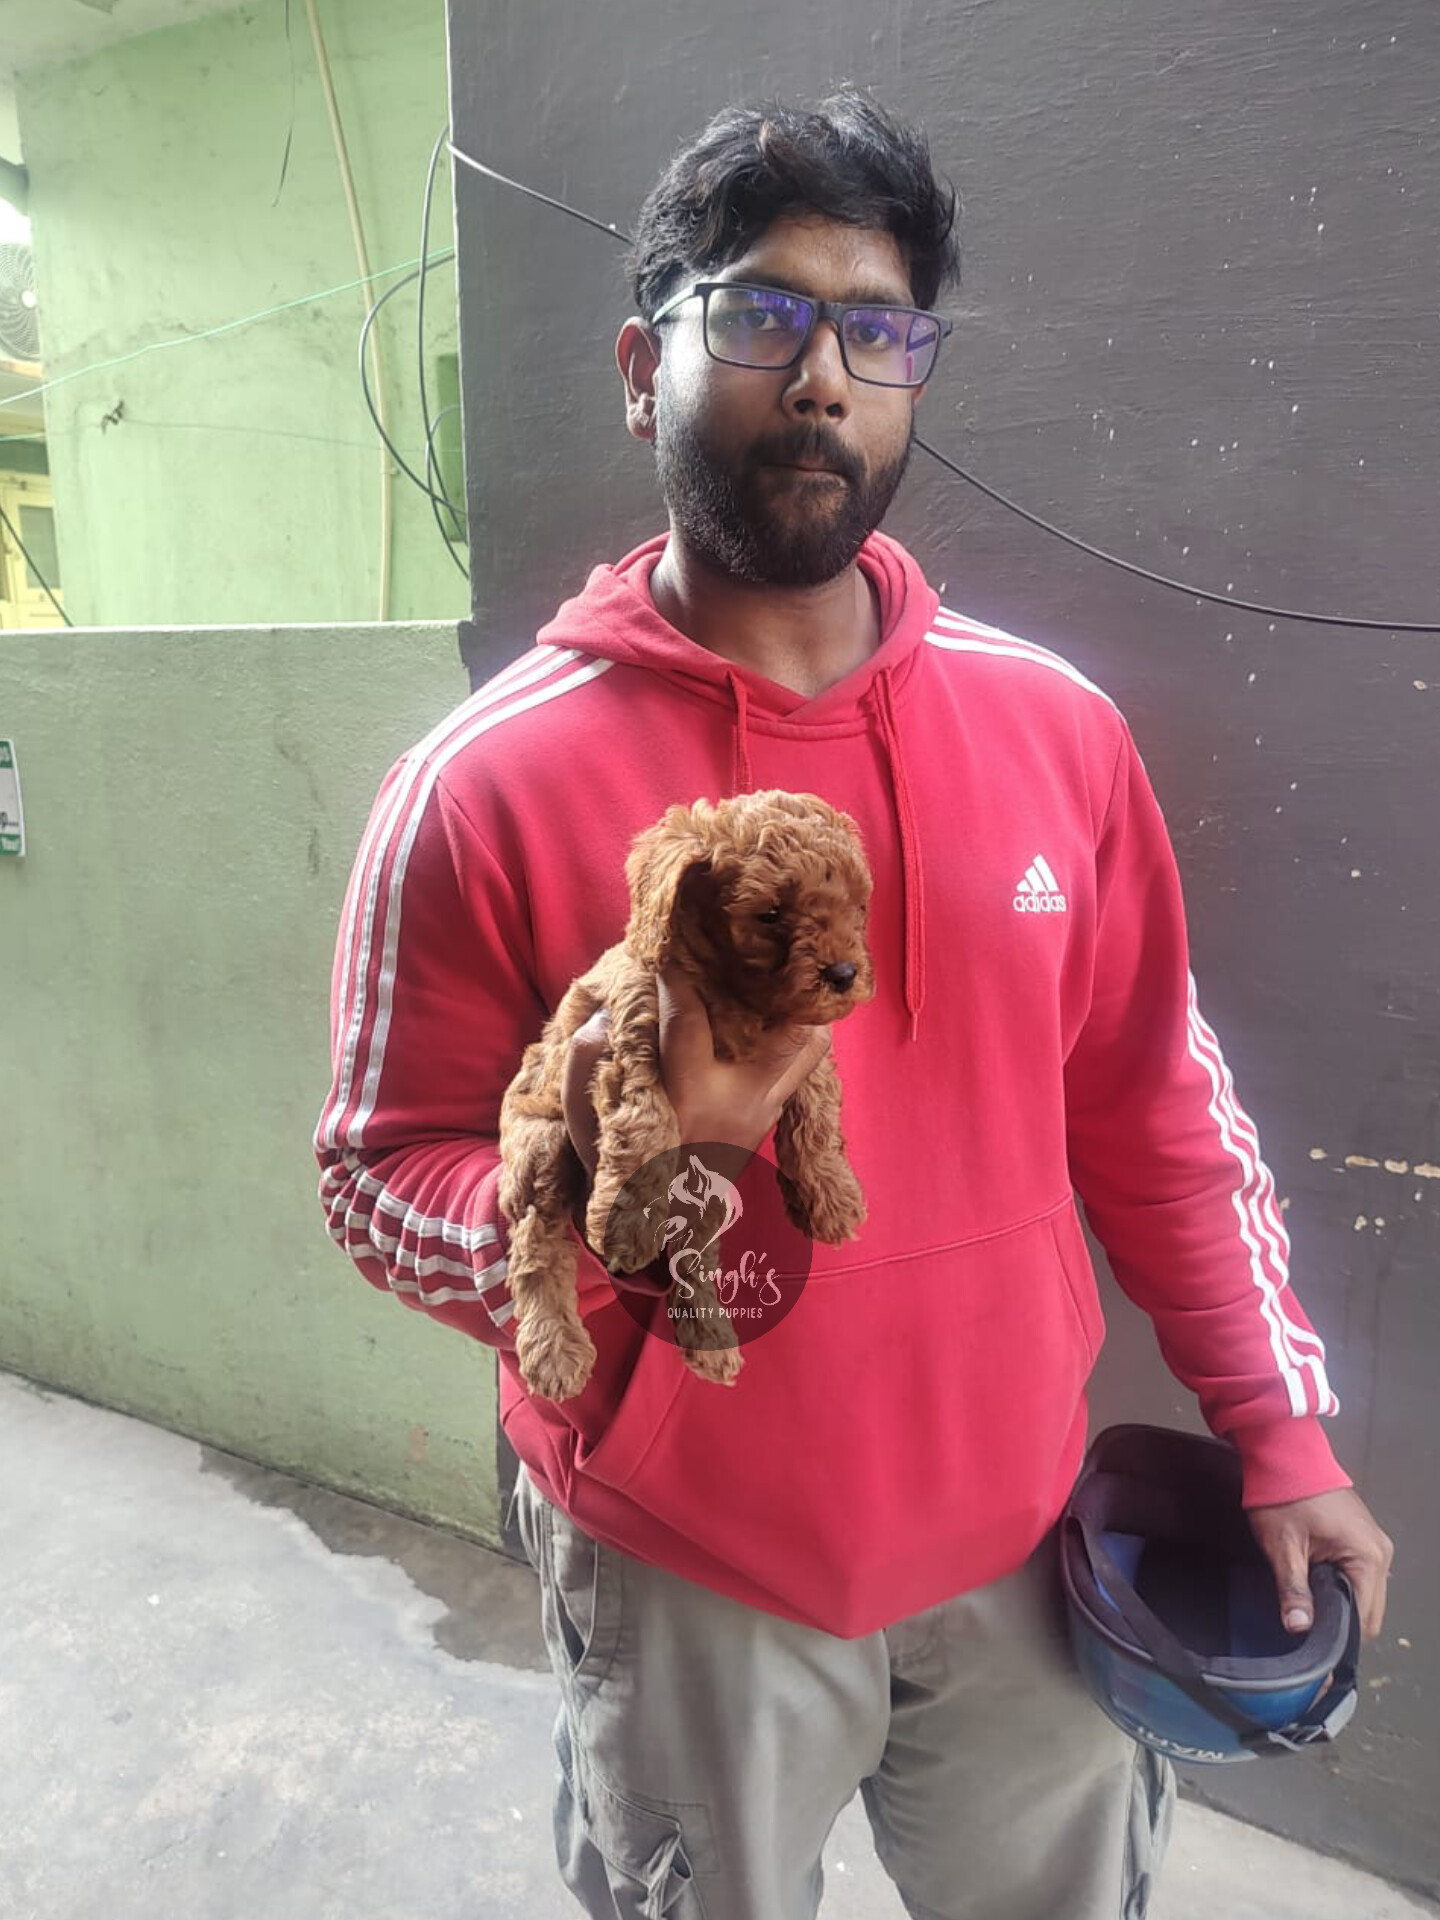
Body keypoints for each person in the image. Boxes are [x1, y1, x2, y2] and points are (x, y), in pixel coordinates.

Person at [314, 88, 1393, 1920]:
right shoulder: (480, 786)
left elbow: (1159, 1113)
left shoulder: (1056, 733)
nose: (824, 375)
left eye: (880, 333)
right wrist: (610, 1192)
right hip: (683, 1564)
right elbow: (372, 1180)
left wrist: (1277, 1430)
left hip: (1023, 1545)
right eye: (761, 315)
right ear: (643, 370)